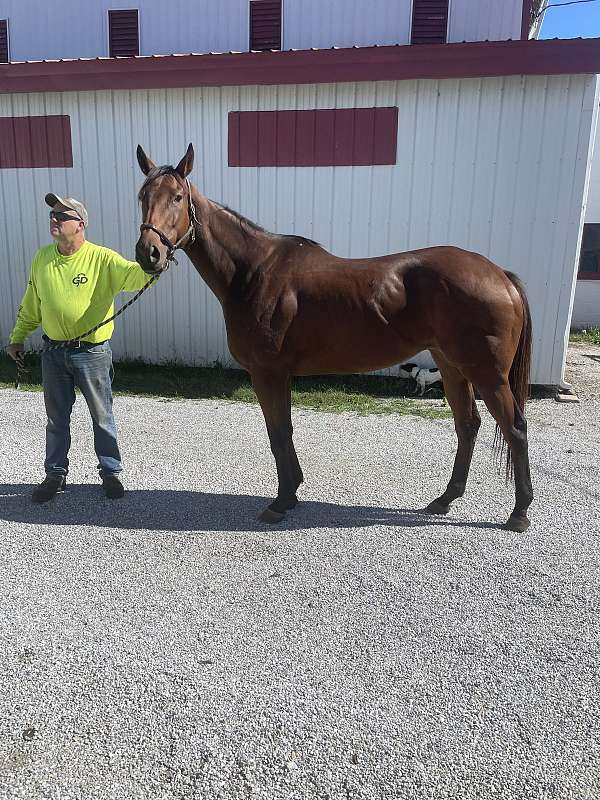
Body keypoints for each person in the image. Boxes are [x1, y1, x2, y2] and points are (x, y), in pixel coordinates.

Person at [6, 194, 155, 503]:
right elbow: (32, 303)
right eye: (52, 214)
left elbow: (138, 275)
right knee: (56, 419)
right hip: (53, 353)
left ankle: (110, 473)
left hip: (92, 353)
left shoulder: (103, 259)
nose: (54, 219)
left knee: (102, 416)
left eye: (62, 215)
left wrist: (154, 260)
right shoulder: (42, 258)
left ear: (80, 224)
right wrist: (18, 336)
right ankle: (55, 475)